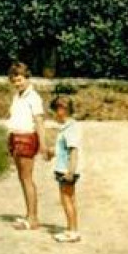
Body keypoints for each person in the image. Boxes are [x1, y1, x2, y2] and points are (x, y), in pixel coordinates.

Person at [6, 61, 49, 230]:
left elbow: (39, 122)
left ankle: (33, 218)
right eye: (14, 81)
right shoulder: (17, 96)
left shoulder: (34, 98)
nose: (17, 83)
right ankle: (28, 213)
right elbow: (13, 119)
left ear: (27, 78)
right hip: (16, 137)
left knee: (27, 178)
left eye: (20, 79)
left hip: (27, 138)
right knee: (21, 178)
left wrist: (43, 145)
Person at [49, 94, 82, 243]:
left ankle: (72, 231)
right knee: (70, 199)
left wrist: (70, 171)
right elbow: (63, 150)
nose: (54, 115)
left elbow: (73, 151)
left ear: (62, 109)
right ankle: (72, 228)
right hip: (65, 168)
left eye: (55, 111)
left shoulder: (70, 129)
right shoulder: (67, 127)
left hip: (66, 170)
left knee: (66, 200)